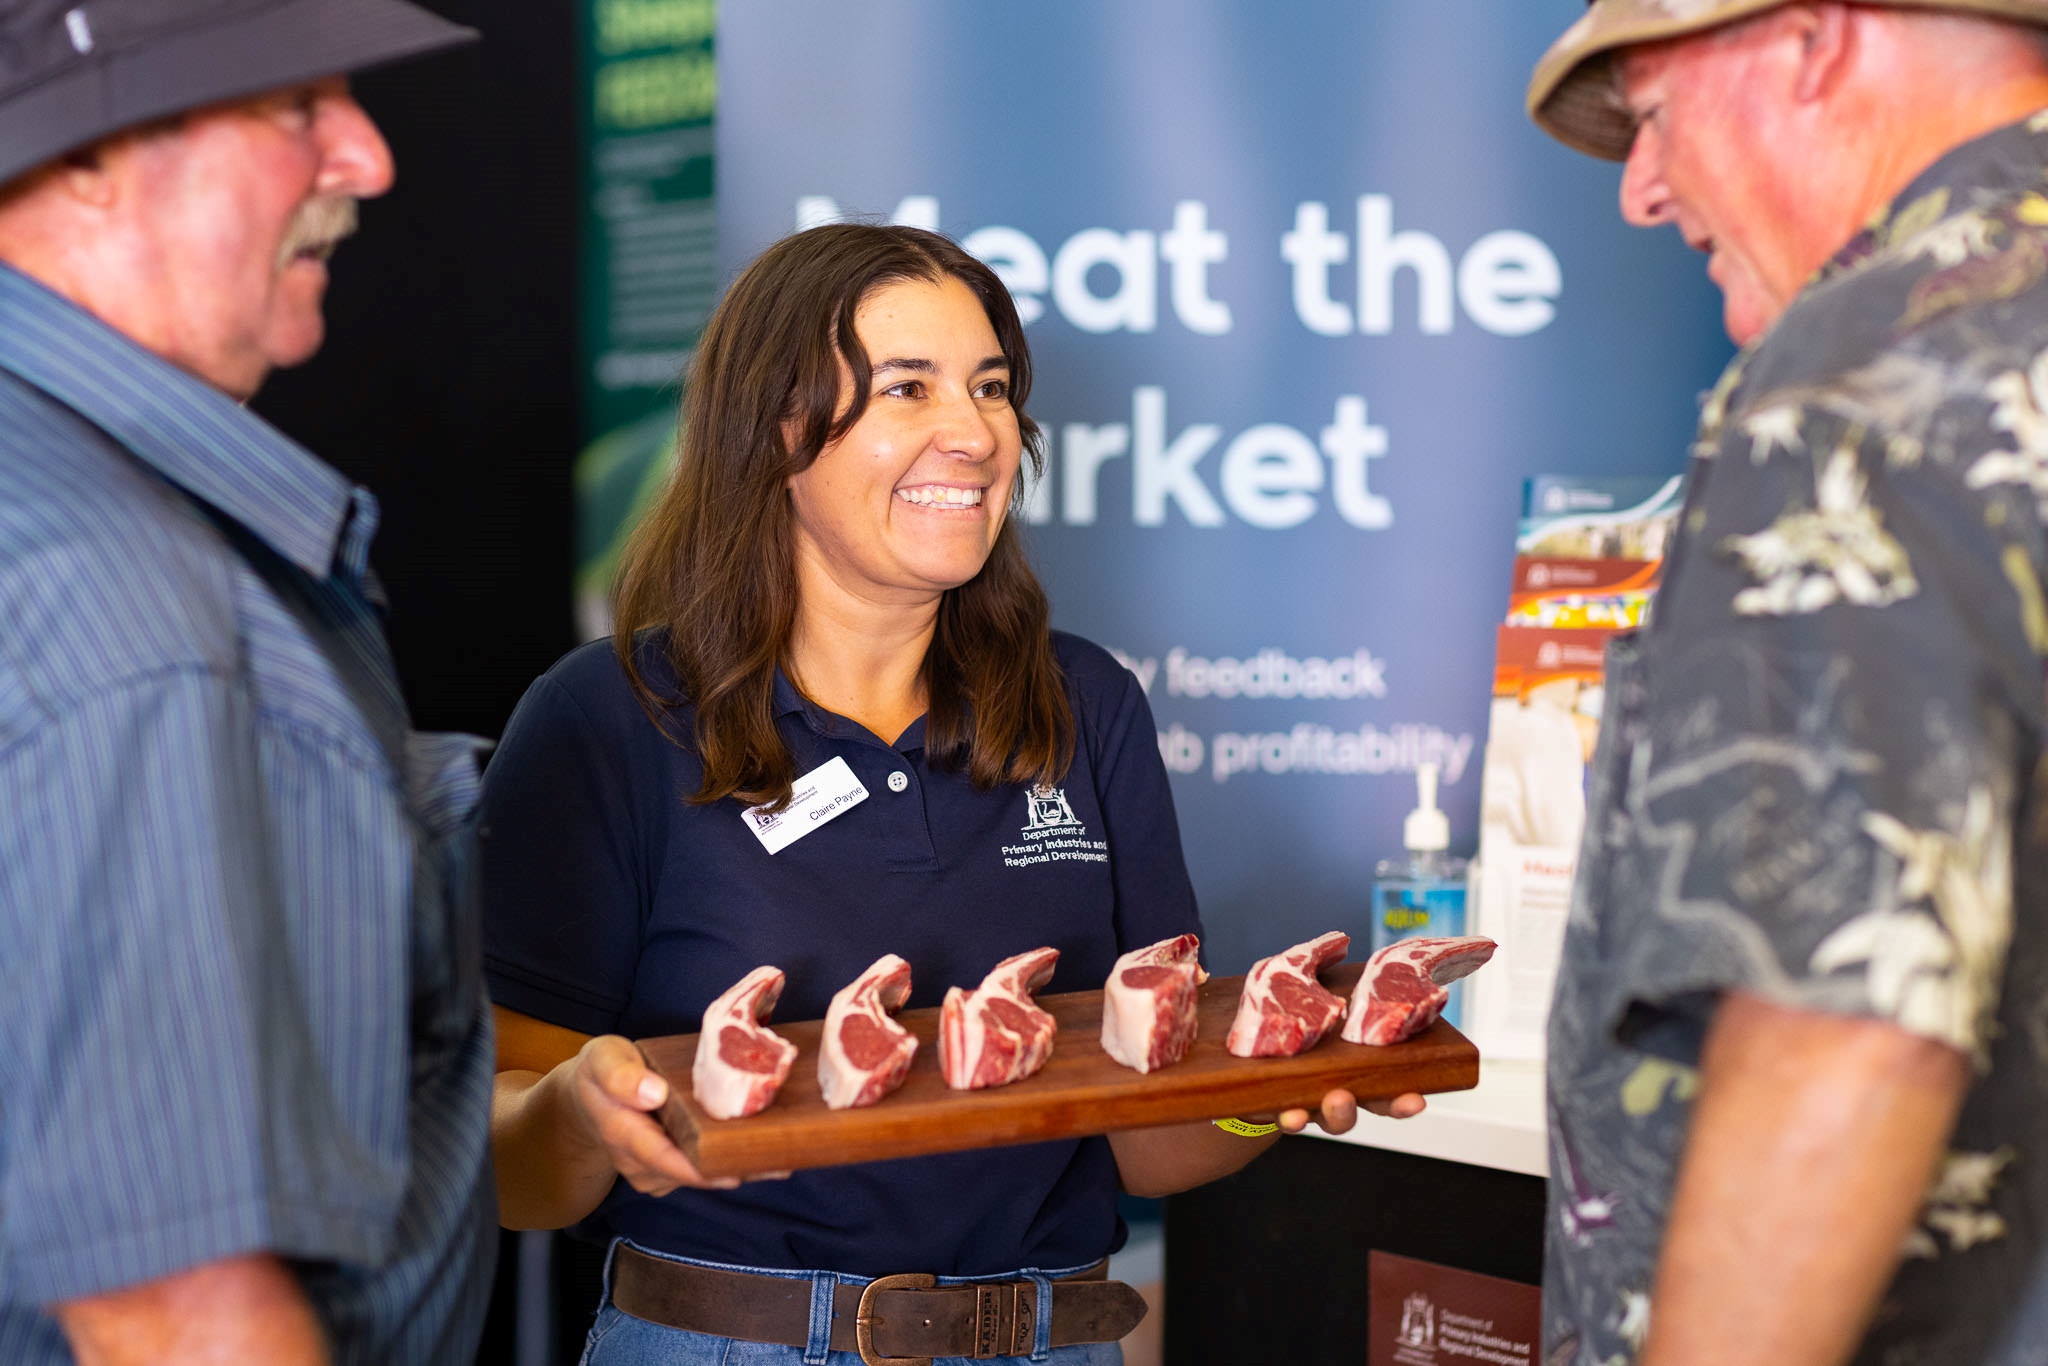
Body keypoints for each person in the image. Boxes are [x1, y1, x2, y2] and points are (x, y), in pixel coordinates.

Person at [481, 222, 1420, 1364]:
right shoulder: (611, 715)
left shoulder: (1085, 704)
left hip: (1050, 1341)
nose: (972, 434)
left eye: (988, 388)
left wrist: (1263, 1094)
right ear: (773, 430)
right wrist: (583, 1117)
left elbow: (1141, 1140)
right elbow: (509, 1170)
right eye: (907, 388)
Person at [1525, 3, 2048, 1363]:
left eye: (1649, 115)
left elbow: (1846, 1023)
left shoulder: (1860, 381)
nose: (1642, 192)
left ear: (1812, 41)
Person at [0, 3, 494, 1363]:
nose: (370, 156)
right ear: (88, 154)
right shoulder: (128, 606)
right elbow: (171, 1318)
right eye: (293, 103)